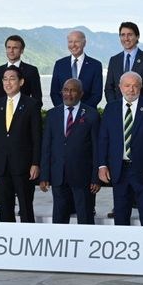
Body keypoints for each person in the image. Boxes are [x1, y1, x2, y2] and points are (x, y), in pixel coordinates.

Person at [98, 72, 143, 226]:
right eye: (127, 85)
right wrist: (102, 165)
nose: (131, 89)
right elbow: (103, 139)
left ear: (141, 87)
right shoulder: (111, 108)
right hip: (119, 170)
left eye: (135, 85)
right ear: (120, 87)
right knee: (120, 216)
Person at [39, 78, 101, 224]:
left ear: (81, 93)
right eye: (65, 90)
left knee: (85, 217)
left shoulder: (92, 115)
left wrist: (95, 178)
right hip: (58, 176)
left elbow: (97, 148)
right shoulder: (52, 114)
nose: (68, 94)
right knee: (59, 218)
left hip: (83, 178)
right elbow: (46, 147)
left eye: (73, 90)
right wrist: (44, 176)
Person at [0, 66, 42, 222]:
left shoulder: (31, 104)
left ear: (21, 82)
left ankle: (28, 239)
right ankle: (7, 239)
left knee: (25, 206)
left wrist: (35, 163)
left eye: (12, 78)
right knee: (5, 206)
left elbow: (37, 137)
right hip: (2, 164)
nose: (7, 82)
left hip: (24, 165)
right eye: (5, 79)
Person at [104, 22, 143, 103]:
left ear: (137, 36)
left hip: (142, 111)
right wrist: (115, 106)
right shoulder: (114, 60)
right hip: (119, 111)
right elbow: (109, 88)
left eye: (130, 35)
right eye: (123, 35)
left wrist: (139, 106)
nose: (126, 38)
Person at [49, 30, 103, 108]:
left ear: (84, 43)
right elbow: (54, 93)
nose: (73, 45)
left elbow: (97, 94)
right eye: (70, 42)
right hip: (63, 114)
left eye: (77, 41)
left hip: (86, 115)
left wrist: (80, 111)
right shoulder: (59, 64)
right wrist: (65, 110)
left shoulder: (95, 65)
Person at [0, 35, 43, 107]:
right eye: (9, 47)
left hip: (24, 115)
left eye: (15, 48)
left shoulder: (31, 71)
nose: (11, 51)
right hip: (1, 115)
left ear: (22, 50)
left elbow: (37, 98)